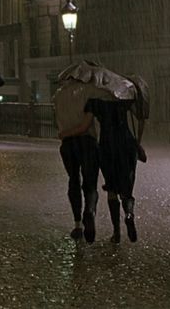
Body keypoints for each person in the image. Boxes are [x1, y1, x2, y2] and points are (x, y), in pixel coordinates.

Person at [59, 97, 144, 243]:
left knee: (111, 190)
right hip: (127, 144)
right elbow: (141, 116)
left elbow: (84, 126)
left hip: (107, 146)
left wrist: (64, 134)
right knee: (127, 190)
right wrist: (138, 141)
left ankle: (115, 233)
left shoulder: (95, 101)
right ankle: (129, 214)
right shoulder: (123, 97)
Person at [53, 81, 109, 243]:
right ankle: (90, 211)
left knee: (73, 181)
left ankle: (77, 225)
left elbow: (57, 121)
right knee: (90, 184)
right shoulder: (89, 92)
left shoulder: (59, 94)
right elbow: (86, 124)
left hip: (68, 145)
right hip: (87, 143)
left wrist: (65, 132)